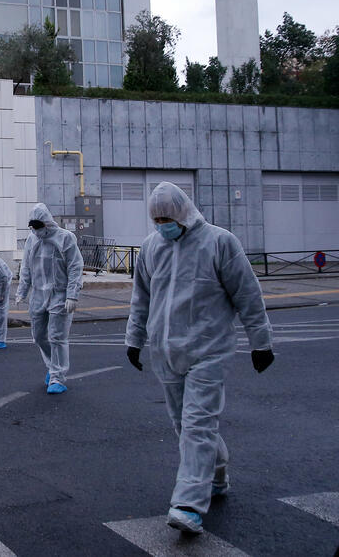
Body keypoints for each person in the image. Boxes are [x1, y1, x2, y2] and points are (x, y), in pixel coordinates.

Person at [125, 182, 274, 535]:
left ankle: (188, 504)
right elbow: (141, 299)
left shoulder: (220, 243)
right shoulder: (150, 248)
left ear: (182, 212)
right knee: (184, 426)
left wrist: (261, 342)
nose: (162, 223)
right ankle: (217, 472)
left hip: (209, 351)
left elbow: (248, 295)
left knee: (197, 425)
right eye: (156, 218)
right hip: (166, 352)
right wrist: (134, 339)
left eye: (167, 216)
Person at [15, 203, 83, 394]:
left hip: (59, 295)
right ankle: (53, 366)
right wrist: (22, 291)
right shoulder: (32, 240)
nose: (37, 231)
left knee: (57, 337)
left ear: (47, 223)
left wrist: (72, 294)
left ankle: (57, 377)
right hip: (38, 294)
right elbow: (26, 267)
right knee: (38, 336)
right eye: (33, 227)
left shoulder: (65, 238)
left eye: (39, 226)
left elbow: (75, 267)